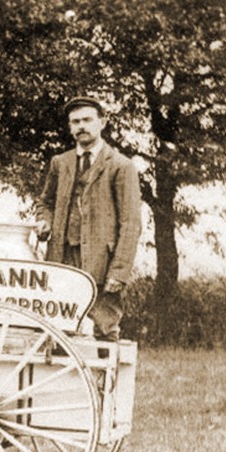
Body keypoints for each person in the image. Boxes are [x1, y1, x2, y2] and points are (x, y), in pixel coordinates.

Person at [35, 96, 141, 341]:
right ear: (70, 126)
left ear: (102, 122)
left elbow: (131, 224)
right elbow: (45, 203)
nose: (81, 126)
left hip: (102, 261)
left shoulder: (121, 166)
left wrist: (119, 271)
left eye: (87, 120)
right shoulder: (60, 163)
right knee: (57, 331)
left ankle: (107, 367)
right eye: (75, 122)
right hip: (62, 258)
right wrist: (45, 221)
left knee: (105, 330)